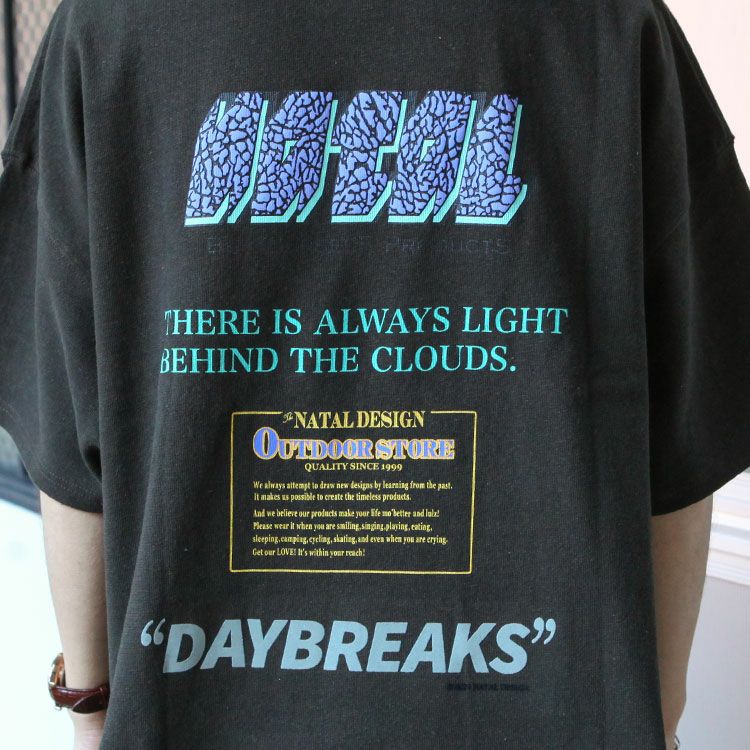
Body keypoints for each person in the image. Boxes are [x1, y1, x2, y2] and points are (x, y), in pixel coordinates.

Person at [0, 0, 748, 747]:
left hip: (195, 708)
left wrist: (90, 707)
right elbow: (685, 429)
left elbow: (66, 431)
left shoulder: (108, 26)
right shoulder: (608, 22)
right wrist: (657, 718)